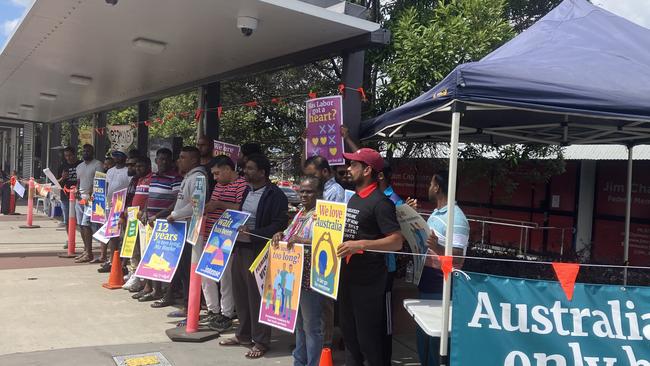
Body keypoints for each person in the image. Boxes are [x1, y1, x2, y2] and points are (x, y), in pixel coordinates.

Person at [337, 148, 404, 366]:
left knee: (370, 343)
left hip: (370, 284)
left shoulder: (381, 203)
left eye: (353, 165)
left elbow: (396, 241)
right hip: (348, 279)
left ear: (367, 170)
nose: (349, 168)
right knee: (351, 339)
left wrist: (362, 244)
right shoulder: (355, 199)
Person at [220, 153, 288, 359]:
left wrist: (253, 233)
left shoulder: (276, 195)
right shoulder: (246, 191)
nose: (245, 171)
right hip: (240, 247)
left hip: (258, 250)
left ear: (262, 172)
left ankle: (261, 341)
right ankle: (243, 334)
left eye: (250, 168)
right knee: (241, 294)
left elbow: (278, 224)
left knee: (257, 297)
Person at [417, 170, 469, 366]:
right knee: (424, 340)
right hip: (428, 282)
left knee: (437, 343)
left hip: (441, 285)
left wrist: (437, 247)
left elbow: (458, 260)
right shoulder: (438, 212)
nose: (428, 188)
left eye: (430, 184)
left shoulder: (456, 218)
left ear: (437, 186)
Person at [271, 175, 324, 366]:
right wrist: (280, 234)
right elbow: (289, 235)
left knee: (312, 326)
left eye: (309, 191)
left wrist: (304, 241)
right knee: (299, 325)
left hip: (311, 277)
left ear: (318, 193)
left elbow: (330, 242)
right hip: (295, 275)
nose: (304, 195)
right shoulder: (301, 212)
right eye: (301, 191)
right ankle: (299, 361)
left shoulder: (323, 215)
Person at [201, 155, 248, 332]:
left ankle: (226, 313)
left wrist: (219, 204)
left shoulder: (241, 185)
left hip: (227, 238)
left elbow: (240, 208)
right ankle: (213, 309)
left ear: (228, 169)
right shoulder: (219, 185)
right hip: (211, 235)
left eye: (217, 173)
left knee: (226, 277)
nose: (215, 178)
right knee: (207, 274)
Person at [164, 146, 207, 319]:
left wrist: (175, 214)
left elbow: (197, 204)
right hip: (182, 229)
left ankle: (192, 309)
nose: (179, 160)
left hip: (191, 229)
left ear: (194, 160)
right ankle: (187, 306)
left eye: (183, 157)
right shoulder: (188, 177)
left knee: (190, 270)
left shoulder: (198, 177)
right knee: (182, 270)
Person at [134, 148, 182, 303]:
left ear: (171, 161)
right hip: (150, 221)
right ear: (156, 160)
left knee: (164, 260)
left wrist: (157, 216)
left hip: (165, 223)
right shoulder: (154, 176)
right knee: (150, 257)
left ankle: (163, 292)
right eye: (160, 159)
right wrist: (145, 212)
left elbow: (176, 203)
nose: (163, 162)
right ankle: (152, 289)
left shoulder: (175, 178)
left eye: (166, 159)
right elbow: (150, 197)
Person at [97, 149, 132, 270]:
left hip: (123, 204)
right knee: (112, 235)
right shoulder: (110, 171)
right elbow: (107, 186)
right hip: (111, 204)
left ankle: (123, 262)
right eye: (114, 156)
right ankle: (112, 260)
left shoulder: (128, 171)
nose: (116, 158)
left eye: (119, 156)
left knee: (125, 235)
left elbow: (130, 189)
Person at [122, 156, 152, 292]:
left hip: (144, 219)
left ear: (148, 166)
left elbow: (150, 198)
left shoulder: (152, 178)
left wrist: (145, 211)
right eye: (136, 166)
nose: (137, 169)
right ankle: (135, 273)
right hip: (133, 217)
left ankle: (142, 279)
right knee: (133, 247)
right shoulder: (138, 180)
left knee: (143, 249)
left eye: (140, 166)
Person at [73, 144, 104, 263]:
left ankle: (89, 252)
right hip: (80, 198)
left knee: (86, 225)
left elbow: (99, 181)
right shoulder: (79, 166)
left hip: (92, 199)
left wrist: (91, 193)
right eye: (84, 151)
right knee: (81, 225)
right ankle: (86, 250)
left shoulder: (97, 164)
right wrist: (76, 189)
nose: (86, 153)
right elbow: (79, 181)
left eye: (88, 151)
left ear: (93, 152)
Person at [57, 147, 81, 242]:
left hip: (79, 196)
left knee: (80, 220)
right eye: (66, 156)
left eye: (70, 155)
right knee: (67, 220)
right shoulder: (62, 166)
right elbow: (57, 182)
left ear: (74, 155)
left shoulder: (80, 164)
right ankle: (70, 240)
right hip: (65, 196)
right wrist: (63, 178)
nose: (68, 158)